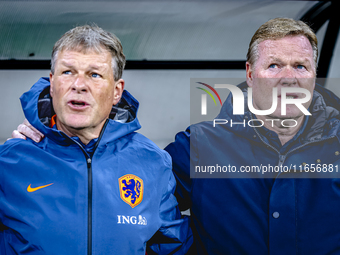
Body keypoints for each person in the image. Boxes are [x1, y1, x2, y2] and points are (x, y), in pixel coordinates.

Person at [11, 18, 340, 254]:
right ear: (251, 75)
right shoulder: (199, 147)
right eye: (273, 66)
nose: (287, 78)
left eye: (300, 66)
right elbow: (113, 183)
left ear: (315, 74)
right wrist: (48, 128)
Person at [0, 25, 192, 255]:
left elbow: (173, 247)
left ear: (116, 92)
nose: (79, 85)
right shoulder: (9, 162)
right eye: (68, 72)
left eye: (94, 74)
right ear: (52, 84)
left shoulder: (153, 162)